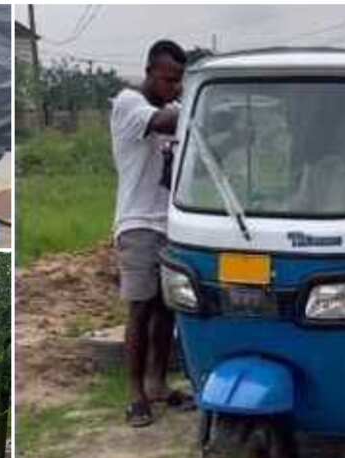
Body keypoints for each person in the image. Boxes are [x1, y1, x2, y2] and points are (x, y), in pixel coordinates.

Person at [110, 40, 190, 427]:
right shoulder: (129, 104)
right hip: (138, 223)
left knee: (166, 309)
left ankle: (158, 384)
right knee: (140, 308)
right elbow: (166, 122)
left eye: (179, 81)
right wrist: (203, 102)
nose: (173, 87)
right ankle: (136, 393)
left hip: (172, 224)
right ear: (149, 72)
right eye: (168, 79)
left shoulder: (172, 108)